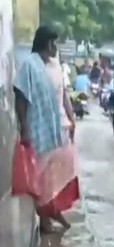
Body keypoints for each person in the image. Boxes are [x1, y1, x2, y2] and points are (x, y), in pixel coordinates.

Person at [13, 25, 80, 233]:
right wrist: (24, 128)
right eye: (54, 42)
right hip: (38, 128)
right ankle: (46, 218)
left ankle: (52, 211)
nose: (56, 47)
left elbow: (64, 95)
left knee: (64, 166)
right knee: (40, 176)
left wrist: (71, 117)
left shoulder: (55, 66)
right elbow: (21, 97)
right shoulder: (29, 66)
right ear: (46, 42)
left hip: (58, 128)